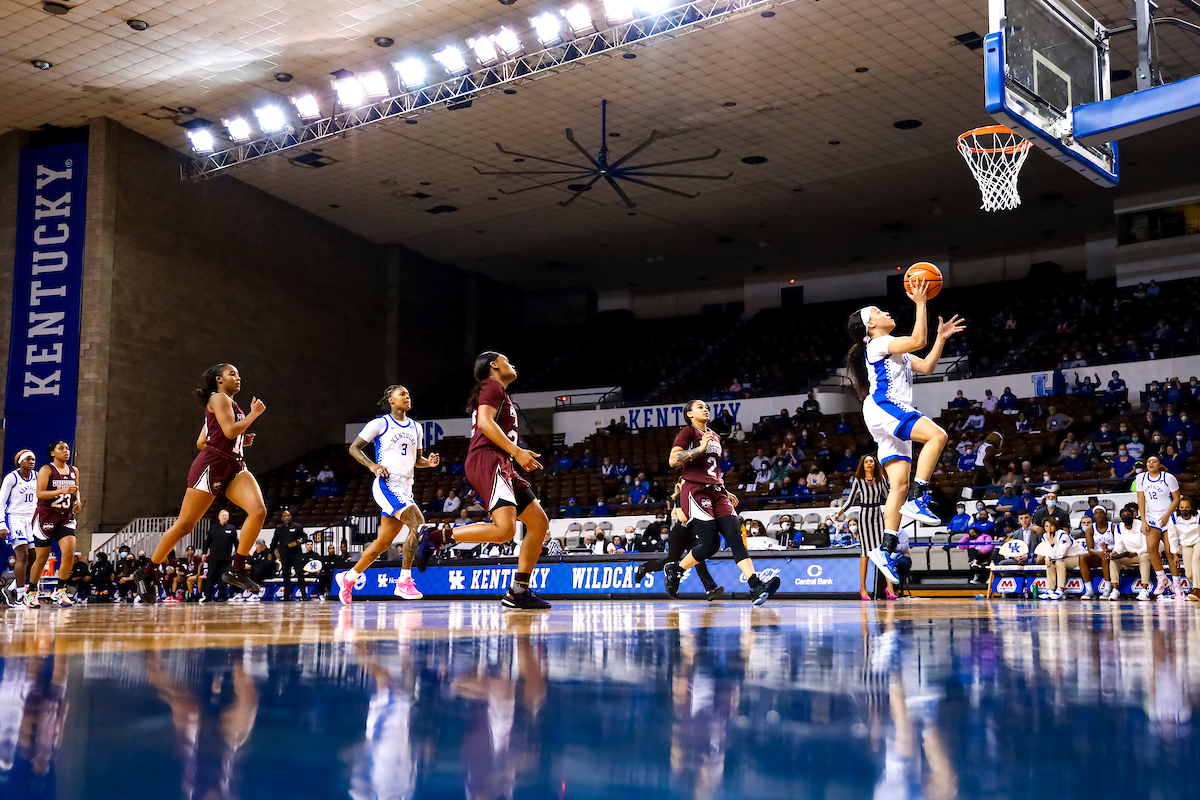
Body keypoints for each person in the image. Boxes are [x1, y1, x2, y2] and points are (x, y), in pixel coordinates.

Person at [845, 279, 966, 587]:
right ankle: (919, 495)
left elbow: (926, 365)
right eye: (878, 311)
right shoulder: (879, 343)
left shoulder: (893, 349)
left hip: (882, 414)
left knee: (897, 484)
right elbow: (917, 339)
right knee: (937, 436)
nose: (885, 311)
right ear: (870, 325)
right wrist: (921, 303)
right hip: (886, 406)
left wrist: (940, 338)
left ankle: (885, 549)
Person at [414, 353, 552, 610]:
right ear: (494, 365)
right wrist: (517, 451)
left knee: (538, 522)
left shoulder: (500, 392)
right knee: (504, 531)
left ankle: (519, 590)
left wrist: (512, 455)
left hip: (502, 463)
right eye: (508, 360)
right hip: (489, 459)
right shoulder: (492, 385)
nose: (513, 364)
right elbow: (486, 423)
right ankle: (435, 535)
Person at [133, 364, 267, 603]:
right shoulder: (218, 398)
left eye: (238, 374)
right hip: (212, 466)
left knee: (258, 511)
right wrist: (254, 414)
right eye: (232, 374)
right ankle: (146, 573)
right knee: (184, 525)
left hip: (234, 464)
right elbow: (226, 432)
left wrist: (239, 441)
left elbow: (203, 440)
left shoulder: (229, 403)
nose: (238, 377)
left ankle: (236, 568)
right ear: (218, 379)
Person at [662, 400, 779, 604]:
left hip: (717, 491)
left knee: (735, 535)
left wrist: (724, 489)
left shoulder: (715, 435)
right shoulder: (688, 433)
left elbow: (712, 469)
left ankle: (755, 585)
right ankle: (676, 569)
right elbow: (673, 460)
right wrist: (701, 447)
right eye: (699, 407)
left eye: (706, 406)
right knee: (710, 545)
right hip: (696, 491)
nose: (705, 408)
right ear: (689, 414)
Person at [339, 385, 440, 603]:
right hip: (387, 484)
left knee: (383, 544)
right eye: (402, 394)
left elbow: (416, 460)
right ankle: (404, 581)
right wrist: (372, 465)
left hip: (406, 487)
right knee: (418, 523)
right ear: (391, 400)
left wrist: (428, 463)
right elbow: (354, 448)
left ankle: (348, 578)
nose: (407, 396)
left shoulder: (416, 427)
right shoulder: (380, 423)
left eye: (408, 394)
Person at [24, 441, 83, 608]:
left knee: (69, 553)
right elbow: (40, 493)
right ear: (52, 453)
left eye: (67, 448)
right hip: (46, 516)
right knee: (41, 558)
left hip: (66, 517)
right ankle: (31, 592)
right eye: (61, 448)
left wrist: (77, 500)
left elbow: (76, 488)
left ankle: (61, 590)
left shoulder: (74, 470)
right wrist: (61, 491)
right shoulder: (46, 469)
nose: (66, 451)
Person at [830, 454, 891, 601]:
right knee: (865, 552)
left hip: (878, 515)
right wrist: (839, 513)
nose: (869, 463)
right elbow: (850, 500)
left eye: (872, 461)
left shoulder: (881, 479)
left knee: (883, 550)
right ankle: (863, 588)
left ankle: (890, 587)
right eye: (866, 461)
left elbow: (888, 496)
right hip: (864, 516)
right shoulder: (858, 481)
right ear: (862, 465)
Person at [1136, 454, 1182, 597]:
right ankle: (1162, 578)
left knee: (1169, 551)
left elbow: (1176, 499)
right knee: (1151, 548)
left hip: (1168, 515)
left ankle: (1177, 583)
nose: (1151, 463)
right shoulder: (1141, 478)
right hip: (1152, 516)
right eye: (1149, 461)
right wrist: (1143, 520)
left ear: (1159, 464)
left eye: (1154, 461)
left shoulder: (1168, 477)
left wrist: (1168, 514)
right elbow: (1141, 500)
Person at [0, 450, 38, 607]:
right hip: (14, 517)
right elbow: (1, 501)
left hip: (31, 519)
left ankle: (12, 588)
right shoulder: (12, 477)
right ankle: (21, 596)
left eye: (33, 459)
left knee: (35, 557)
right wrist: (2, 523)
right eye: (28, 459)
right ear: (19, 462)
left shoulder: (37, 476)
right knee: (22, 556)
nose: (31, 461)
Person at [1034, 516, 1086, 600]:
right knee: (1049, 563)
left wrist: (1052, 543)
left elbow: (1061, 554)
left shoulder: (1063, 535)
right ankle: (1050, 589)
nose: (1049, 529)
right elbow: (1048, 550)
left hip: (1079, 557)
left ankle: (1061, 589)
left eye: (1051, 526)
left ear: (1055, 526)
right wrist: (1048, 557)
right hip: (1064, 558)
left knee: (1059, 562)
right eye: (1046, 526)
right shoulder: (1045, 536)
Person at [1108, 505, 1152, 600]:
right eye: (1124, 516)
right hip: (1128, 555)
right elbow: (1119, 545)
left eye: (1129, 515)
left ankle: (1144, 590)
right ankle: (1115, 589)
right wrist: (1115, 552)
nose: (1126, 517)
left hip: (1143, 553)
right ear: (1121, 518)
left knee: (1144, 557)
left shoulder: (1141, 525)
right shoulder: (1119, 527)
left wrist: (1136, 553)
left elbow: (1147, 546)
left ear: (1133, 516)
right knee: (1113, 560)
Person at [1167, 497, 1200, 601]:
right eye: (1182, 507)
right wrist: (1175, 554)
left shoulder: (1198, 515)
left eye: (1187, 507)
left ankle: (1197, 589)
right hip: (1185, 544)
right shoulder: (1173, 518)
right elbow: (1172, 537)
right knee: (1189, 573)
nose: (1184, 510)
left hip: (1198, 541)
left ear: (1191, 508)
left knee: (1195, 561)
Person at [272, 509, 309, 601]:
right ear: (282, 518)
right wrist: (270, 552)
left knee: (300, 574)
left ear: (291, 517)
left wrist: (301, 541)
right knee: (286, 575)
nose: (286, 518)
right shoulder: (279, 529)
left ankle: (304, 595)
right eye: (284, 516)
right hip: (285, 555)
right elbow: (274, 542)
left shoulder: (297, 526)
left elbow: (305, 537)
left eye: (288, 516)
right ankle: (286, 596)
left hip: (296, 554)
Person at [205, 509, 238, 602]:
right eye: (223, 515)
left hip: (226, 557)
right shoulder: (213, 528)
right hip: (214, 557)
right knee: (210, 577)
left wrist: (237, 551)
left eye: (226, 515)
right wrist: (204, 552)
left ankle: (222, 596)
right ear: (219, 517)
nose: (224, 517)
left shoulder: (232, 528)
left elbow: (236, 541)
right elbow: (207, 541)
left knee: (223, 578)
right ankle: (208, 596)